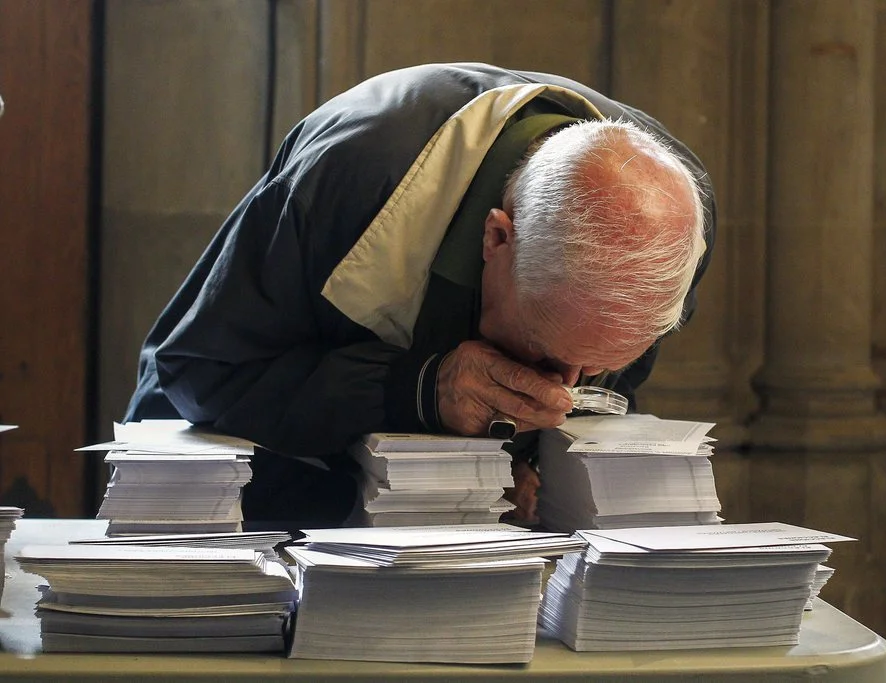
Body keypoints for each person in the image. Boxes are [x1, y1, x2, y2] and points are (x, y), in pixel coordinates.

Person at [124, 62, 716, 526]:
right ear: (496, 237)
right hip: (230, 488)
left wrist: (532, 458)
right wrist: (418, 388)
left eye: (602, 364)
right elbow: (204, 371)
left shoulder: (672, 214)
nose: (567, 387)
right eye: (546, 352)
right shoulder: (353, 170)